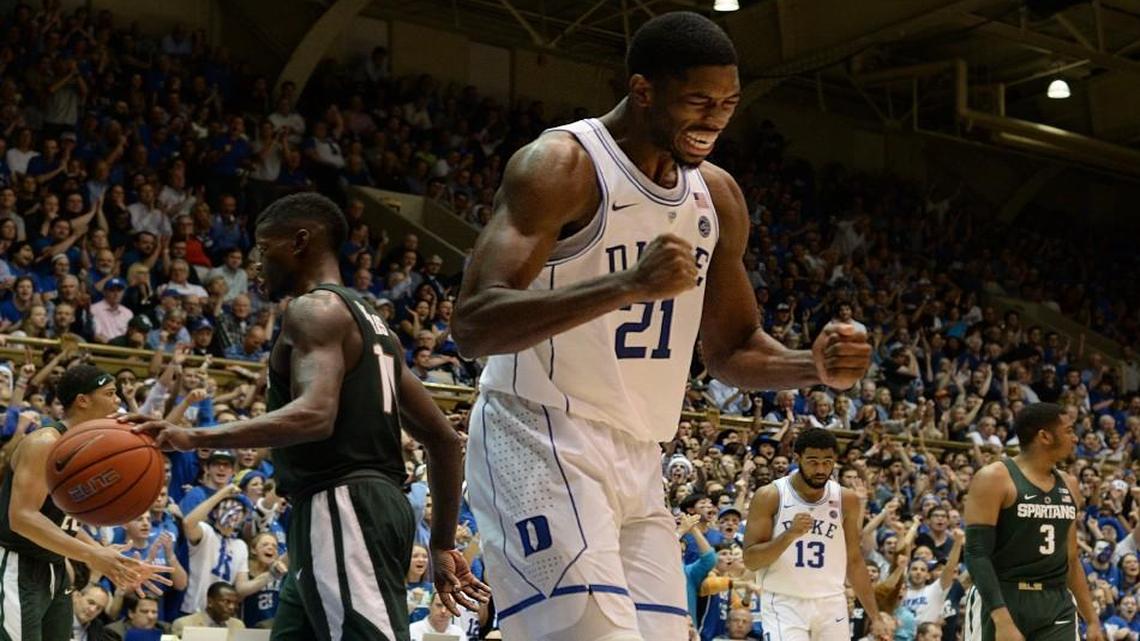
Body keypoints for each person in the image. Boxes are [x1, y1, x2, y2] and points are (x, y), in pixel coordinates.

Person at [453, 12, 870, 641]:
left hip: (639, 452)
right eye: (698, 101)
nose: (716, 119)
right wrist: (624, 285)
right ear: (643, 90)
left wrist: (810, 365)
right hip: (535, 428)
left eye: (728, 102)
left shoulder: (717, 197)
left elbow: (730, 349)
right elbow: (473, 324)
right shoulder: (563, 165)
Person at [130, 192, 487, 641]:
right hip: (364, 506)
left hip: (342, 503)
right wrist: (440, 543)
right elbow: (443, 440)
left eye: (263, 249)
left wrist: (193, 436)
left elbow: (316, 415)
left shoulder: (313, 309)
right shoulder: (376, 327)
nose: (256, 264)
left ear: (299, 241)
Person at [0, 365, 167, 641]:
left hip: (53, 569)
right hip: (18, 566)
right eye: (110, 393)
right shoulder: (45, 442)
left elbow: (58, 522)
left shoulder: (89, 448)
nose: (118, 401)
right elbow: (23, 517)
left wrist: (106, 556)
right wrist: (91, 556)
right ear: (83, 400)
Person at [963, 403, 1104, 641]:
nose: (1076, 438)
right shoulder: (994, 477)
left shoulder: (1069, 484)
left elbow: (1070, 557)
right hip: (1002, 596)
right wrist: (1001, 619)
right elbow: (976, 553)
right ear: (1045, 436)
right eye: (1069, 430)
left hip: (1055, 600)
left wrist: (1091, 619)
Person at [741, 428, 883, 641]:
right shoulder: (771, 496)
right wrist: (789, 535)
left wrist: (876, 616)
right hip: (783, 602)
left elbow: (854, 561)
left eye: (827, 462)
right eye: (813, 461)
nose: (821, 469)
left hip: (831, 603)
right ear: (797, 458)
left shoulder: (847, 499)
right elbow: (751, 560)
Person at [171, 581, 244, 637]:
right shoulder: (184, 624)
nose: (232, 607)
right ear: (210, 602)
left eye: (235, 603)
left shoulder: (238, 625)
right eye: (226, 602)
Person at [100, 593, 172, 640]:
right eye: (145, 611)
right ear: (131, 613)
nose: (151, 616)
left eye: (154, 612)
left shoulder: (165, 629)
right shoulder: (114, 632)